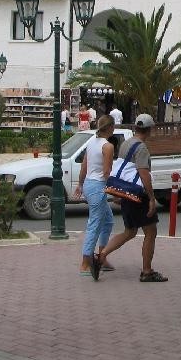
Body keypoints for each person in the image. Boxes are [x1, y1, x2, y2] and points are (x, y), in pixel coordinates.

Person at [97, 114, 168, 282]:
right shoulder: (142, 148)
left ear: (136, 127)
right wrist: (151, 198)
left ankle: (101, 255)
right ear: (149, 130)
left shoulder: (126, 143)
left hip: (126, 193)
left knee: (130, 231)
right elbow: (144, 173)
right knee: (150, 231)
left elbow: (123, 170)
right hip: (138, 195)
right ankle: (147, 271)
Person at [74, 115, 116, 276]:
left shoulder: (91, 142)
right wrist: (114, 190)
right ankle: (85, 263)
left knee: (108, 221)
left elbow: (84, 165)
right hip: (98, 186)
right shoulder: (107, 146)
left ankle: (101, 257)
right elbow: (107, 172)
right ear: (110, 127)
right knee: (95, 224)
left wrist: (80, 184)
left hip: (89, 184)